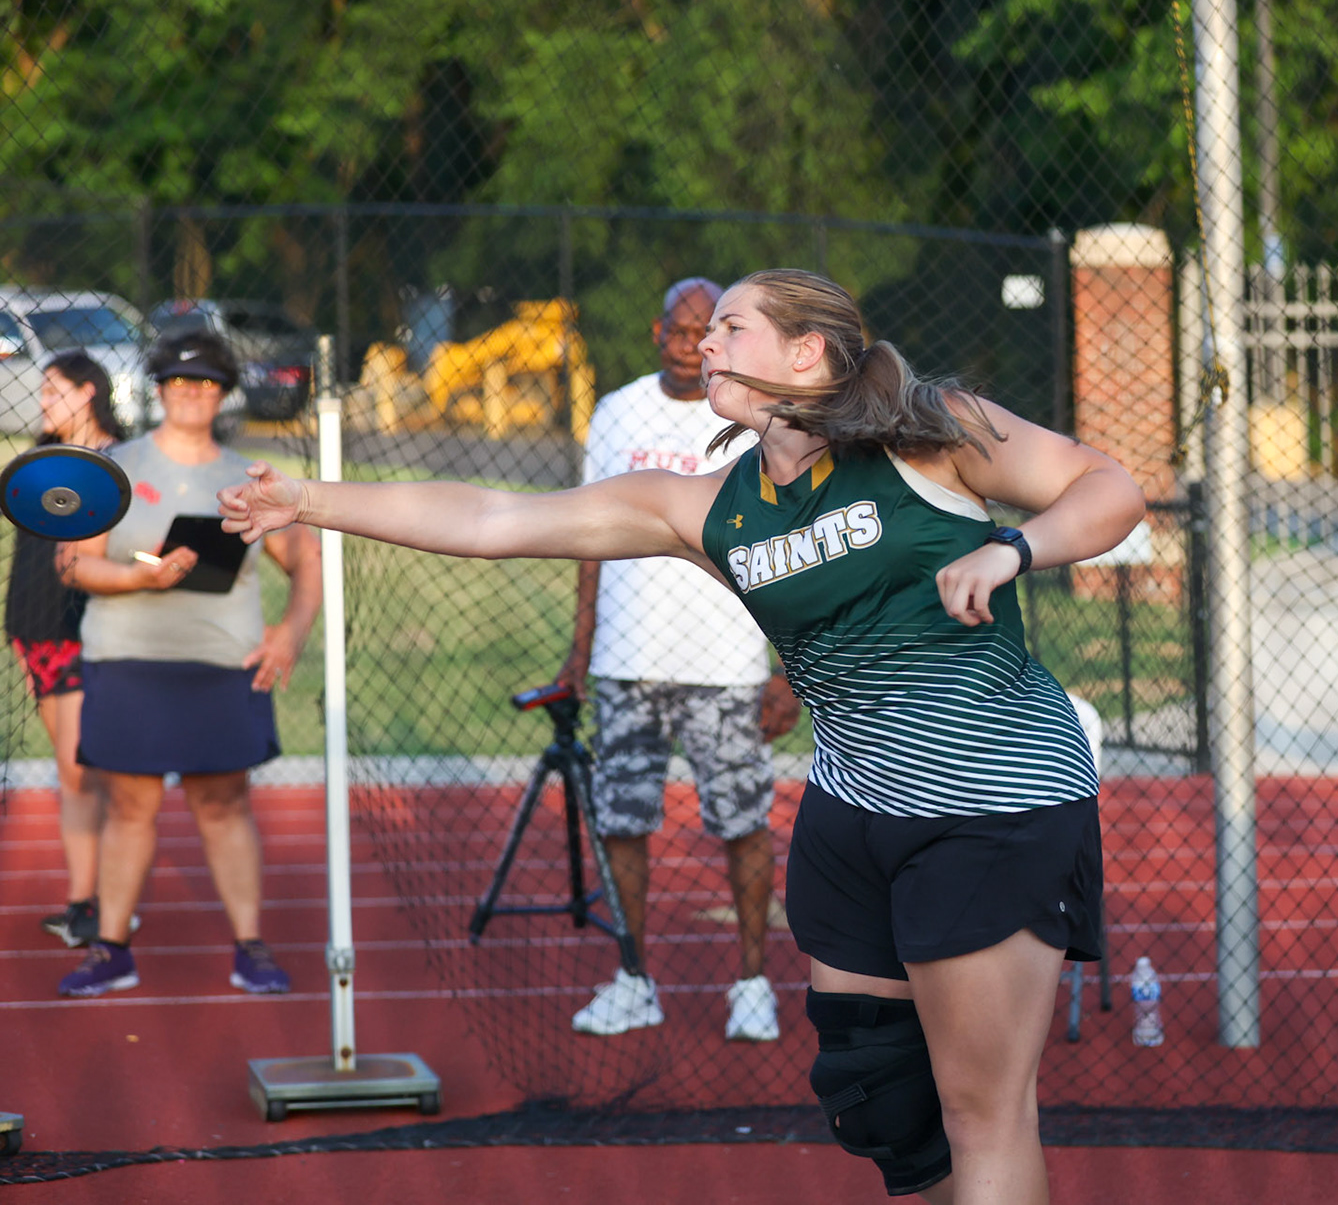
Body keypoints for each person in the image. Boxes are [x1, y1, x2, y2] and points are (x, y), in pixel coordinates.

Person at [219, 268, 1145, 1204]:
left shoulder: (929, 429)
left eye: (732, 329)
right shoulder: (711, 508)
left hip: (989, 800)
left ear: (805, 352)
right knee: (881, 1107)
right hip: (855, 807)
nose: (705, 343)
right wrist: (308, 500)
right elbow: (496, 519)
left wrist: (1013, 547)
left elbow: (1108, 487)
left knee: (981, 1109)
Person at [557, 275, 801, 1042]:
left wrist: (786, 667)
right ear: (661, 333)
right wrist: (580, 646)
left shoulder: (754, 413)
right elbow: (588, 535)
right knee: (622, 820)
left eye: (709, 328)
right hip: (626, 660)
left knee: (741, 821)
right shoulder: (616, 410)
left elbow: (792, 547)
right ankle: (633, 978)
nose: (693, 342)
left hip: (726, 663)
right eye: (681, 327)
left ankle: (753, 983)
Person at [54, 329, 322, 998]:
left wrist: (290, 633)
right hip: (129, 658)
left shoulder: (247, 477)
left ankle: (250, 947)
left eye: (205, 383)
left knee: (224, 803)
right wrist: (140, 581)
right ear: (160, 390)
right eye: (178, 383)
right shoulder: (118, 465)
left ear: (224, 393)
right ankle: (112, 949)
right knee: (130, 806)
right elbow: (73, 562)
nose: (191, 394)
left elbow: (305, 559)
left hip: (221, 663)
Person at [9, 353, 127, 946]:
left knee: (85, 775)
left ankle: (107, 901)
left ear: (87, 394)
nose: (41, 402)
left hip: (86, 636)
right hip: (37, 637)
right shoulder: (40, 459)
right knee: (73, 775)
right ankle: (85, 902)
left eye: (53, 392)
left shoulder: (119, 464)